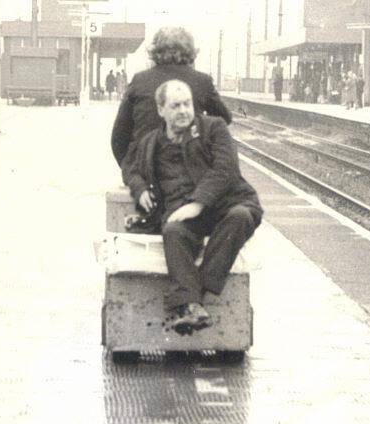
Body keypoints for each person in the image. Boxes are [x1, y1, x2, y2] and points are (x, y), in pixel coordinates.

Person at [121, 80, 263, 332]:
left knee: (241, 217)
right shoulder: (150, 142)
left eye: (187, 104)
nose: (184, 111)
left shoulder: (214, 128)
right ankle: (193, 308)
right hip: (182, 212)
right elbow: (129, 168)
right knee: (173, 231)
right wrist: (139, 187)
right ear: (160, 110)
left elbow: (225, 169)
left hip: (225, 205)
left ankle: (196, 298)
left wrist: (198, 203)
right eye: (176, 106)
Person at [111, 27, 232, 166]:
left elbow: (119, 136)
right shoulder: (202, 81)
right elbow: (225, 118)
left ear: (155, 51)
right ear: (191, 51)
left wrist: (131, 172)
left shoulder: (139, 80)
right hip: (189, 170)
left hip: (146, 170)